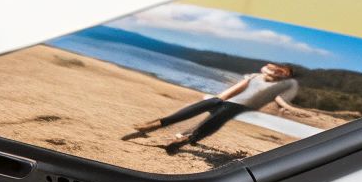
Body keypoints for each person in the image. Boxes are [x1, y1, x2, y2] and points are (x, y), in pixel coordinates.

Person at [123, 63, 303, 155]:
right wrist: (218, 98)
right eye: (278, 70)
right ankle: (153, 126)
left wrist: (289, 108)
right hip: (224, 99)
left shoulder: (279, 86)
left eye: (283, 73)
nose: (278, 72)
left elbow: (279, 99)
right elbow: (237, 88)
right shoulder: (256, 76)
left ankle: (182, 141)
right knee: (189, 111)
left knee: (210, 123)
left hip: (239, 106)